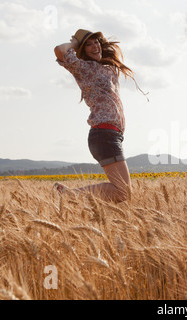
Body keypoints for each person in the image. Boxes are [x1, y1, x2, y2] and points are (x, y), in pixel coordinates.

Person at [54, 29, 142, 203]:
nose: (94, 46)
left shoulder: (108, 68)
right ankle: (69, 195)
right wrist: (74, 43)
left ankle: (89, 211)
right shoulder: (84, 68)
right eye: (88, 44)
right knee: (123, 192)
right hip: (104, 134)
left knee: (121, 194)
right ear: (82, 49)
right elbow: (59, 50)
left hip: (112, 135)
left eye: (96, 42)